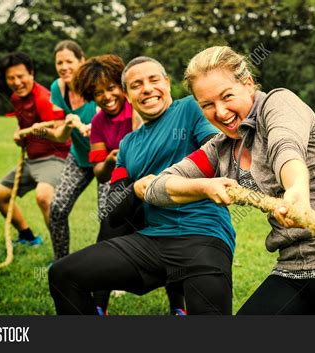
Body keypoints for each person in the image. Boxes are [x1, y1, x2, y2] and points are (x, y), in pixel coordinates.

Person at [144, 46, 315, 315]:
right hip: (293, 271)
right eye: (207, 105)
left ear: (247, 84)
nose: (220, 112)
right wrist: (204, 186)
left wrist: (296, 192)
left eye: (227, 96)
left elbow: (286, 147)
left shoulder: (278, 103)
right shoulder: (218, 149)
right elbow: (158, 187)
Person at [49, 56, 235, 315]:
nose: (147, 88)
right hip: (152, 242)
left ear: (167, 83)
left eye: (153, 80)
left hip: (202, 238)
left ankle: (177, 307)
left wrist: (167, 184)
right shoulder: (128, 145)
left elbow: (219, 154)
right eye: (136, 85)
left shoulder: (190, 109)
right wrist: (136, 189)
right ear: (127, 94)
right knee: (62, 274)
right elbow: (114, 214)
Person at [0, 52, 70, 246]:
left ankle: (61, 254)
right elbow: (24, 126)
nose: (17, 82)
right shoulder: (16, 98)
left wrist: (41, 132)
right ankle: (28, 237)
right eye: (11, 78)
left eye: (21, 76)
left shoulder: (44, 98)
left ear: (31, 73)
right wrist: (20, 133)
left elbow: (62, 134)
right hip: (32, 159)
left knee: (43, 195)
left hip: (54, 157)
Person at [46, 40, 99, 260]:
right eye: (60, 62)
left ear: (82, 61)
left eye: (69, 61)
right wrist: (66, 125)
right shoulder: (57, 88)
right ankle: (61, 264)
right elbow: (59, 136)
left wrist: (93, 127)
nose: (64, 67)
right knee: (57, 209)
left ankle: (113, 274)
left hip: (107, 159)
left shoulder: (97, 86)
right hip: (79, 158)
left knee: (109, 217)